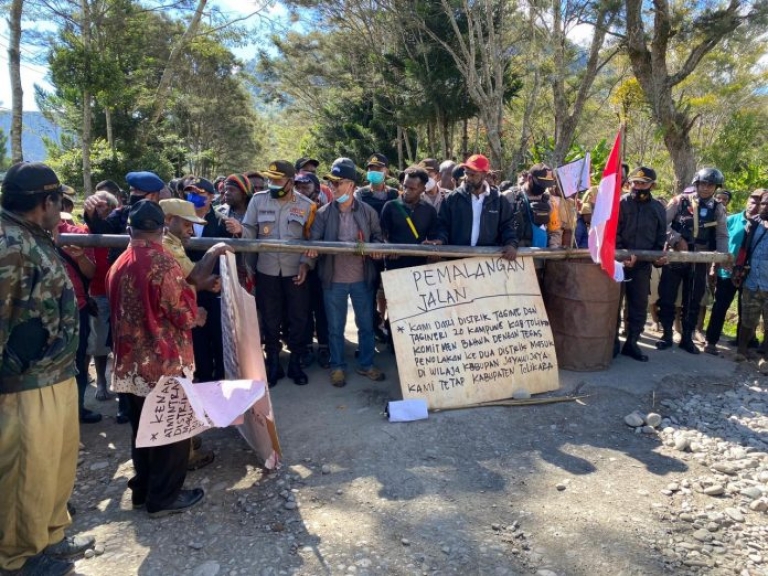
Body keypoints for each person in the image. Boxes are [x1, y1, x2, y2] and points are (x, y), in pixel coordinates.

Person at [1, 161, 95, 576]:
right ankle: (19, 556)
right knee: (27, 470)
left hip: (55, 372)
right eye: (59, 198)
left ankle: (51, 534)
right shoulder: (10, 244)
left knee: (55, 463)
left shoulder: (33, 237)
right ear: (46, 201)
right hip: (25, 381)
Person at [106, 200, 208, 518]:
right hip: (162, 361)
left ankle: (143, 488)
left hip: (130, 362)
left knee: (142, 430)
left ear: (129, 229)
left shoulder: (120, 262)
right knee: (171, 430)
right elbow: (182, 313)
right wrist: (199, 313)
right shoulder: (161, 263)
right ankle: (163, 498)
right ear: (162, 229)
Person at [225, 161, 317, 387]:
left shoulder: (307, 205)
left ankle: (295, 362)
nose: (272, 183)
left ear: (290, 181)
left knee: (298, 317)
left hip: (295, 270)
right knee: (270, 318)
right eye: (270, 179)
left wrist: (306, 264)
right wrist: (240, 230)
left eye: (277, 180)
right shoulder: (258, 200)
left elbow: (312, 242)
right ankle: (273, 362)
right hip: (266, 269)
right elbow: (250, 231)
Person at [308, 157, 386, 388]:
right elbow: (314, 240)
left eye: (337, 182)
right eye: (331, 183)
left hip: (362, 279)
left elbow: (378, 238)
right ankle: (338, 366)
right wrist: (312, 252)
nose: (333, 187)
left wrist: (376, 250)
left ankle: (366, 364)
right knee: (334, 328)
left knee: (366, 325)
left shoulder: (368, 212)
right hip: (333, 280)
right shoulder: (322, 214)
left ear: (350, 185)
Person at [656, 168, 728, 353]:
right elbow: (662, 224)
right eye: (702, 183)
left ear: (715, 187)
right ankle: (666, 335)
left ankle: (687, 338)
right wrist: (675, 238)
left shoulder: (718, 208)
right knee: (667, 297)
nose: (705, 188)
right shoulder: (679, 201)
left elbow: (721, 235)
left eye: (710, 185)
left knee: (693, 300)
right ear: (696, 183)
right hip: (676, 257)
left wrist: (721, 257)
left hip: (700, 260)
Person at [615, 167, 667, 362]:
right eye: (635, 183)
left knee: (638, 306)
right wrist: (623, 254)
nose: (638, 187)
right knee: (613, 305)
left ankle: (632, 343)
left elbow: (660, 238)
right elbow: (613, 232)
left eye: (643, 184)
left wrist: (657, 258)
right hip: (619, 264)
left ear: (652, 185)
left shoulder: (658, 208)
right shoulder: (620, 203)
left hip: (643, 267)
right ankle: (612, 343)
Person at [54, 200, 100, 423]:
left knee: (78, 362)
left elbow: (91, 272)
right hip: (41, 315)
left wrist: (80, 256)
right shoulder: (18, 236)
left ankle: (77, 410)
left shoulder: (76, 234)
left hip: (75, 310)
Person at [705, 189, 764, 354]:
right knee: (720, 307)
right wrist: (713, 267)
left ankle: (742, 345)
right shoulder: (730, 220)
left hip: (750, 275)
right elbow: (718, 245)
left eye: (760, 202)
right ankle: (711, 341)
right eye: (752, 200)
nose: (755, 205)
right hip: (727, 272)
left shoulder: (762, 227)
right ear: (746, 201)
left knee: (745, 311)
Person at [427, 154, 517, 260]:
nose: (468, 178)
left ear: (485, 175)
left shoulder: (499, 200)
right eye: (466, 174)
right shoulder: (452, 198)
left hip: (488, 263)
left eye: (473, 175)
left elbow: (507, 226)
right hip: (457, 262)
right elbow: (442, 225)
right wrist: (440, 240)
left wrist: (511, 244)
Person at [184, 178, 231, 383]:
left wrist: (221, 279)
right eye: (190, 193)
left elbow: (230, 255)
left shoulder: (222, 222)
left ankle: (221, 376)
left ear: (211, 197)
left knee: (218, 335)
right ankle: (202, 376)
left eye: (199, 194)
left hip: (215, 288)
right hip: (189, 288)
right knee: (196, 337)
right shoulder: (182, 220)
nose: (193, 198)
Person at [85, 188, 120, 403]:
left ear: (112, 207)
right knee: (99, 344)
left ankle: (119, 382)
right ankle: (101, 382)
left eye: (102, 205)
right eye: (95, 205)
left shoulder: (119, 229)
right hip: (97, 293)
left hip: (118, 294)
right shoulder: (85, 232)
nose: (98, 209)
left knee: (120, 343)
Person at [733, 190, 768, 371]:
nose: (764, 207)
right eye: (763, 204)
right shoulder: (754, 225)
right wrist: (738, 269)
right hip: (752, 282)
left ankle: (765, 359)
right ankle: (741, 351)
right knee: (748, 319)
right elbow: (743, 250)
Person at [504, 163, 562, 249]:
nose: (543, 188)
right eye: (541, 183)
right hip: (512, 254)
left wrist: (553, 249)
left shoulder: (549, 202)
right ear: (529, 178)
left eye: (546, 184)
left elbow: (554, 231)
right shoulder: (509, 197)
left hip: (539, 254)